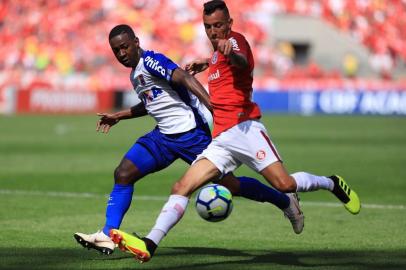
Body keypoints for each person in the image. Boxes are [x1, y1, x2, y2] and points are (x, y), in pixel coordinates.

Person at [109, 0, 361, 263]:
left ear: (229, 24)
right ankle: (150, 244)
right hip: (222, 139)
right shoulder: (217, 54)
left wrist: (230, 53)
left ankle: (331, 182)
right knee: (182, 186)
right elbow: (221, 60)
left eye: (218, 25)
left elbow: (241, 62)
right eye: (208, 26)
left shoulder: (236, 42)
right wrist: (208, 61)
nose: (213, 31)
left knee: (285, 184)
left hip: (246, 129)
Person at [74, 24, 304, 255]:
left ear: (136, 42)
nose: (122, 53)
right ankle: (107, 234)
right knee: (123, 173)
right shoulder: (135, 73)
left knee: (231, 185)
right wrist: (118, 116)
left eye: (124, 47)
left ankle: (285, 202)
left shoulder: (152, 61)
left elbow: (184, 78)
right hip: (163, 137)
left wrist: (214, 108)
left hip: (191, 134)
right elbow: (152, 102)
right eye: (116, 50)